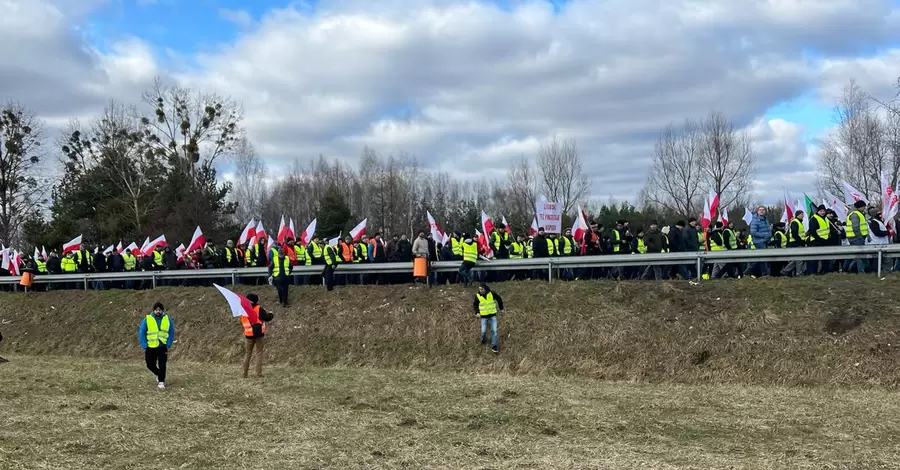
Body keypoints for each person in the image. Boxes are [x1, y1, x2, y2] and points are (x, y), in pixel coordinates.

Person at [138, 302, 174, 389]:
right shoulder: (147, 319)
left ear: (162, 310)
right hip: (150, 346)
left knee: (162, 364)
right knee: (150, 365)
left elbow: (171, 331)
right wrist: (144, 345)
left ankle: (161, 381)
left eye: (160, 310)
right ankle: (158, 374)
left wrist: (169, 342)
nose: (158, 311)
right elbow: (141, 332)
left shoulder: (167, 319)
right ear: (153, 310)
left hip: (162, 346)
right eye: (156, 310)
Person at [241, 293, 273, 378]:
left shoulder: (243, 309)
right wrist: (270, 314)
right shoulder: (259, 308)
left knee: (248, 354)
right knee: (259, 353)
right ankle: (258, 373)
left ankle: (244, 374)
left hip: (248, 335)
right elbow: (267, 318)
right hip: (259, 334)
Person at [473, 283, 504, 354]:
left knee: (494, 331)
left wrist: (501, 308)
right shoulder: (477, 296)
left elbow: (499, 299)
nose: (480, 290)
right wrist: (477, 312)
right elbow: (475, 304)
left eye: (482, 289)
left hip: (492, 316)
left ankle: (494, 346)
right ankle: (483, 340)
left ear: (485, 289)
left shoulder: (492, 293)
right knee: (483, 331)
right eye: (479, 289)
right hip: (483, 317)